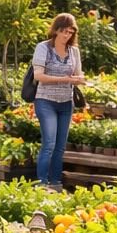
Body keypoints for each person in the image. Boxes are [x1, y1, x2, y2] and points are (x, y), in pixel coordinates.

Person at [32, 13, 86, 190]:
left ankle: (55, 182)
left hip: (65, 102)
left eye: (70, 32)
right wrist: (65, 79)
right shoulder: (43, 48)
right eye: (63, 31)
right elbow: (38, 76)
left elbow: (78, 73)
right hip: (45, 100)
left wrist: (79, 79)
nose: (66, 35)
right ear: (56, 30)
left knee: (60, 146)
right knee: (49, 143)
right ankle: (41, 183)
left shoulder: (74, 51)